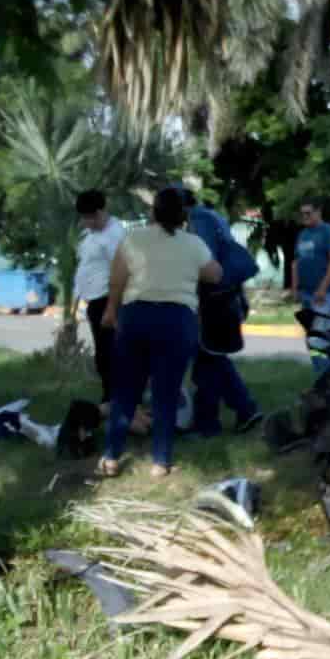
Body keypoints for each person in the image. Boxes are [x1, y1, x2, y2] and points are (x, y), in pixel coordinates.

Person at [97, 187, 221, 478]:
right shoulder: (193, 243)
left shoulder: (133, 238)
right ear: (183, 215)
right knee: (166, 393)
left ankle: (111, 457)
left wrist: (112, 310)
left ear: (152, 211)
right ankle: (160, 462)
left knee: (126, 390)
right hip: (177, 320)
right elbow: (215, 274)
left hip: (136, 316)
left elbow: (116, 280)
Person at [180, 189, 262, 437]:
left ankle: (207, 425)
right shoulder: (210, 217)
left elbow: (208, 264)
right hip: (222, 299)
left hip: (214, 302)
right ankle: (246, 409)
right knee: (214, 358)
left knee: (206, 363)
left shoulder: (200, 221)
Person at [74, 189, 126, 408]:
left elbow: (120, 272)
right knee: (103, 356)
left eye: (90, 217)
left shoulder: (115, 235)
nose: (87, 222)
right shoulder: (90, 234)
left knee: (111, 355)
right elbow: (85, 266)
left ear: (101, 212)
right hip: (93, 301)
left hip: (108, 300)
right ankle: (109, 397)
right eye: (84, 218)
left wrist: (112, 308)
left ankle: (117, 400)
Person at [290, 197, 330, 374]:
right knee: (312, 338)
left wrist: (322, 288)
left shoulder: (329, 232)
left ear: (318, 212)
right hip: (305, 293)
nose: (304, 217)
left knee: (318, 337)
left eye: (308, 213)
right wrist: (295, 287)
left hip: (323, 295)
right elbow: (296, 262)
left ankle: (326, 376)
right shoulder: (302, 234)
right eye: (302, 214)